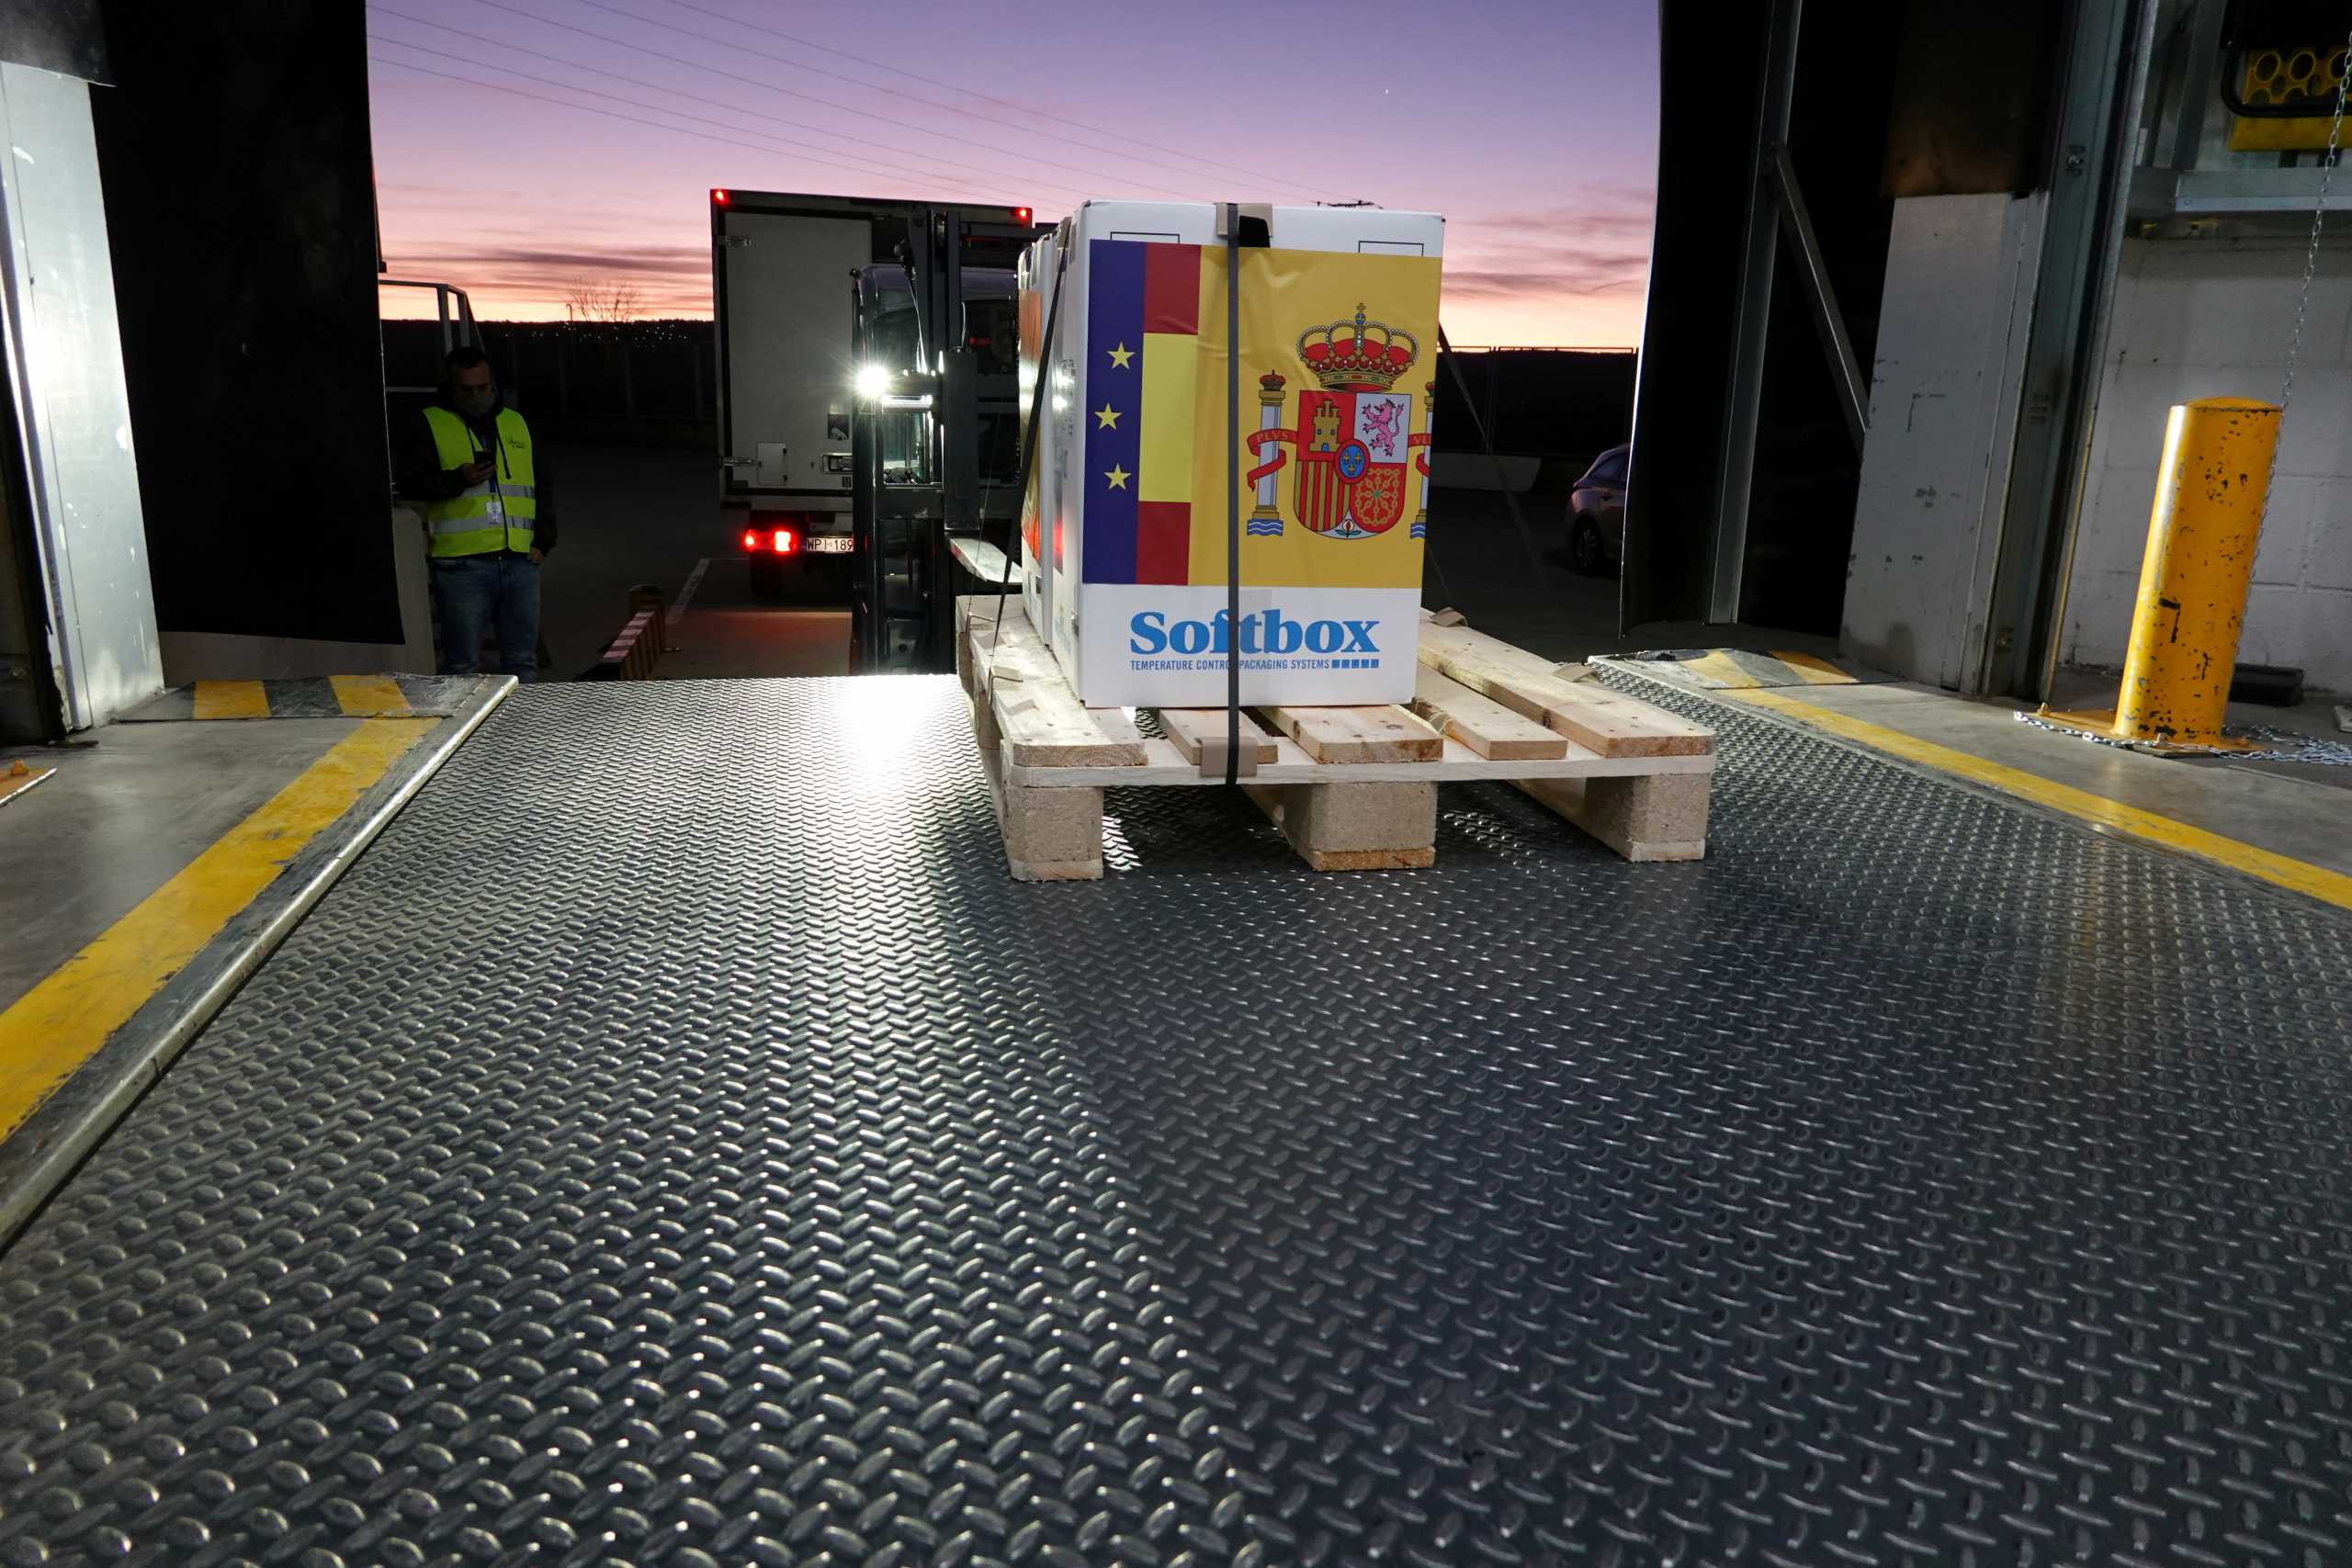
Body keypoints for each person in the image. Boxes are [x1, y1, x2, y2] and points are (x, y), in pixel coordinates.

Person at [395, 347, 556, 678]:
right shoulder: (429, 422)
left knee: (522, 662)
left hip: (519, 561)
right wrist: (459, 479)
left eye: (483, 388)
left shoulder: (516, 423)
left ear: (493, 384)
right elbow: (411, 483)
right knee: (462, 664)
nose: (476, 396)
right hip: (460, 565)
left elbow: (542, 484)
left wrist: (544, 538)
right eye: (466, 390)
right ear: (451, 387)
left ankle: (522, 730)